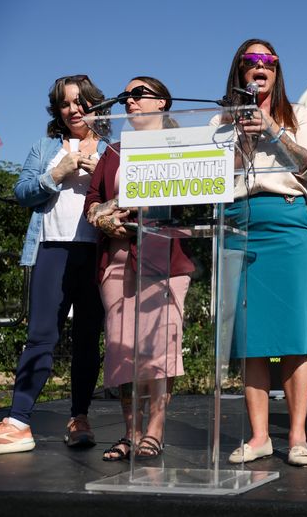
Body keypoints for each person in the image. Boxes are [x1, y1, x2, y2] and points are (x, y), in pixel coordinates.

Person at [0, 75, 108, 455]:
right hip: (52, 249)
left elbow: (127, 195)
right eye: (66, 104)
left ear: (95, 104)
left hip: (97, 253)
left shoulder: (113, 148)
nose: (74, 109)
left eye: (81, 101)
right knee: (41, 337)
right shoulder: (45, 147)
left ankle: (79, 418)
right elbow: (22, 192)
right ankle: (18, 422)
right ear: (58, 110)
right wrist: (58, 173)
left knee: (87, 339)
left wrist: (102, 171)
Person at [221, 39, 307, 466]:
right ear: (240, 72)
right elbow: (214, 179)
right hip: (239, 224)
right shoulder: (218, 122)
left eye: (268, 62)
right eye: (251, 61)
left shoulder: (298, 115)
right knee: (251, 339)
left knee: (295, 336)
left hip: (286, 222)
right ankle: (260, 436)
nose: (260, 68)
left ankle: (297, 437)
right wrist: (242, 141)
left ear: (277, 73)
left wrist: (271, 130)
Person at [84, 76, 194, 461]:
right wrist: (103, 216)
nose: (130, 101)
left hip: (163, 257)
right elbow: (94, 200)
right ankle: (130, 434)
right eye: (126, 96)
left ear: (163, 103)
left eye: (139, 94)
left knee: (158, 350)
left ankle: (155, 431)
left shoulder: (182, 146)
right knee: (122, 352)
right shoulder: (113, 150)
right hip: (117, 261)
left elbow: (195, 191)